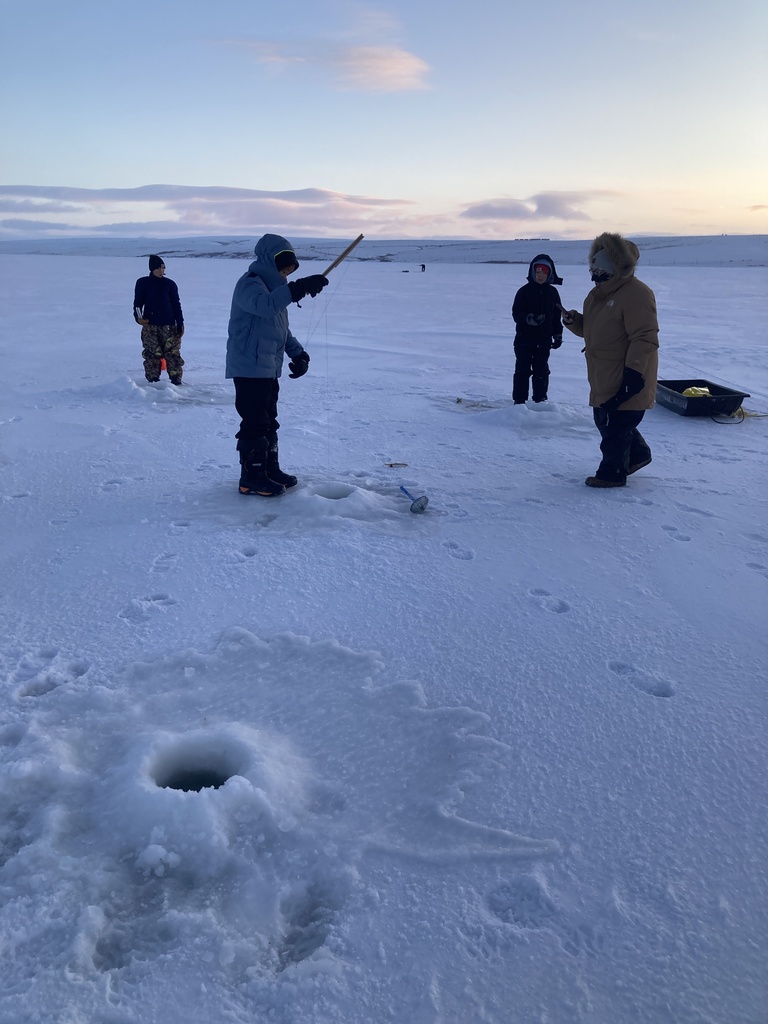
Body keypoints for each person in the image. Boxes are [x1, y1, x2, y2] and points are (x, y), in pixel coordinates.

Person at [225, 234, 329, 497]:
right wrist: (297, 288)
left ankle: (269, 469)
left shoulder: (275, 292)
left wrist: (298, 354)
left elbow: (280, 329)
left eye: (290, 270)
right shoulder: (249, 284)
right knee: (255, 422)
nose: (286, 274)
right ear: (270, 262)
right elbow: (265, 307)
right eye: (283, 268)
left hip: (268, 367)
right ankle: (251, 477)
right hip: (248, 366)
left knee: (269, 421)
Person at [561, 232, 658, 488]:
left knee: (616, 424)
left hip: (626, 372)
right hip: (603, 373)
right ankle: (638, 454)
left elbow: (645, 337)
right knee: (606, 419)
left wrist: (634, 372)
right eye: (592, 270)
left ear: (615, 269)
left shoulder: (637, 294)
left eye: (600, 271)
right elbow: (593, 330)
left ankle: (612, 473)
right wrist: (575, 322)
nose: (594, 276)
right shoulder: (596, 296)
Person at [511, 254, 564, 404]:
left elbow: (556, 317)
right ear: (532, 272)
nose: (540, 275)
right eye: (538, 272)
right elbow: (516, 314)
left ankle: (540, 402)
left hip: (544, 341)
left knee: (541, 371)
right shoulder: (524, 291)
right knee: (522, 371)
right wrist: (530, 319)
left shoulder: (553, 293)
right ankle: (519, 402)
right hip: (524, 340)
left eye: (544, 272)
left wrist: (558, 335)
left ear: (549, 274)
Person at [133, 255, 185, 384]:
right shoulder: (143, 283)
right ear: (152, 269)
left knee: (172, 353)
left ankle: (176, 380)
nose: (161, 270)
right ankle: (153, 380)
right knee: (152, 354)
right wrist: (138, 318)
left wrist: (180, 323)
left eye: (163, 268)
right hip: (150, 326)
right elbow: (138, 303)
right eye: (158, 268)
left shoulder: (170, 284)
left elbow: (176, 304)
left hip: (169, 325)